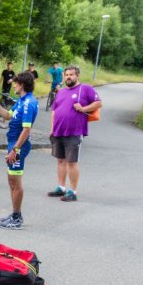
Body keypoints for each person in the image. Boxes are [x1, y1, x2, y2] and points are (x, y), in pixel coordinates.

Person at [0, 71, 38, 230]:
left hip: (19, 145)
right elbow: (8, 116)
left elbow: (26, 130)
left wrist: (15, 150)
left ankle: (17, 217)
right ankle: (15, 214)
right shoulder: (21, 100)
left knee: (15, 182)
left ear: (21, 84)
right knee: (12, 181)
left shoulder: (28, 103)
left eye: (15, 83)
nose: (14, 85)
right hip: (14, 143)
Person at [48, 65, 102, 202]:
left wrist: (83, 108)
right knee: (60, 160)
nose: (68, 77)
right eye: (66, 75)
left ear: (77, 75)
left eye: (71, 75)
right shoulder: (60, 92)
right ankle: (61, 187)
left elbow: (99, 103)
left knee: (71, 162)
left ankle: (72, 191)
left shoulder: (85, 89)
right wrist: (52, 129)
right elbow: (54, 111)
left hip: (75, 132)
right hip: (58, 131)